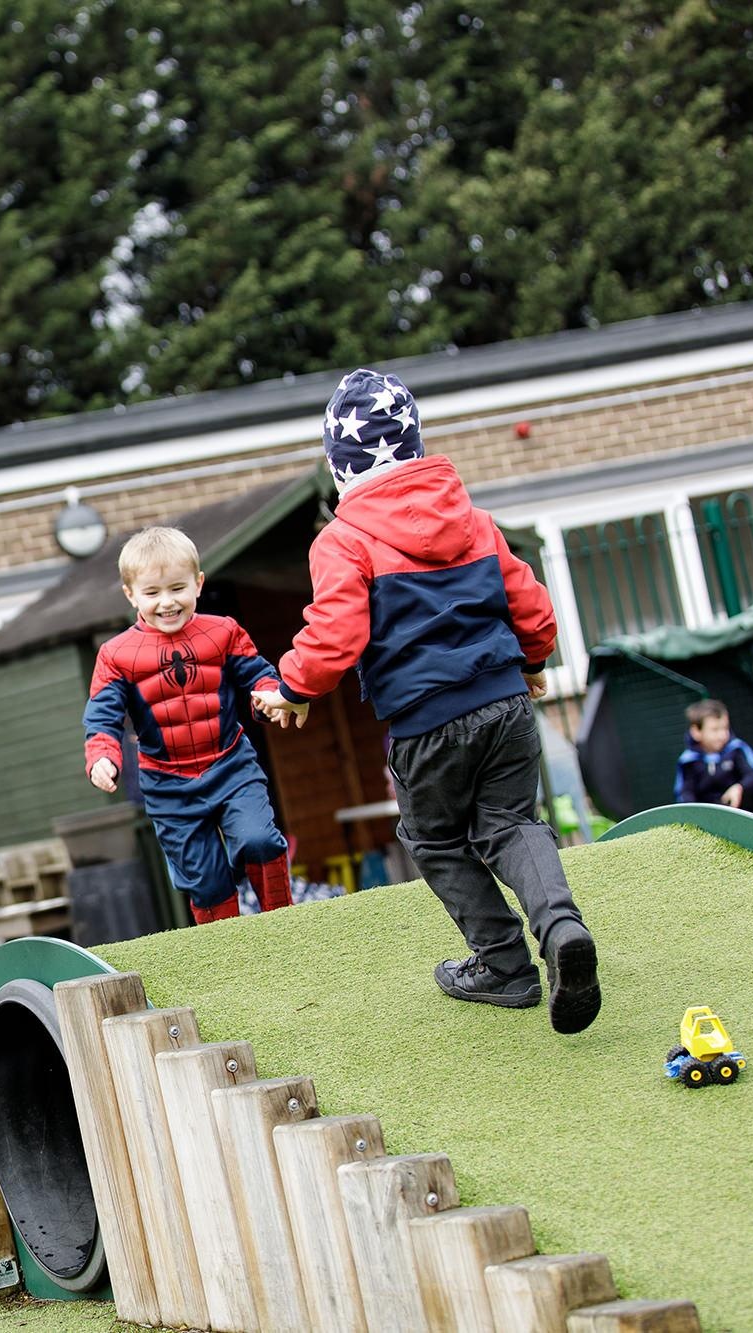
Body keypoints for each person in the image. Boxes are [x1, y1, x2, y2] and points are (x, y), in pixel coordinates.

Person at [253, 368, 601, 1035]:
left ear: (339, 467)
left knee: (435, 839)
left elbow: (337, 631)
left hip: (426, 721)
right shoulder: (473, 521)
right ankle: (561, 928)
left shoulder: (343, 540)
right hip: (505, 704)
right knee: (512, 825)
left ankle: (505, 965)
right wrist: (532, 662)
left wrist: (294, 687)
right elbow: (531, 605)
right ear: (414, 445)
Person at [83, 526, 293, 925]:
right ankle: (225, 945)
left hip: (230, 765)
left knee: (259, 840)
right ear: (131, 595)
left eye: (177, 588)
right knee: (206, 881)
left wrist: (270, 696)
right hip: (167, 784)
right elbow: (102, 714)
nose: (167, 602)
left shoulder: (224, 631)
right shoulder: (115, 654)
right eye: (152, 593)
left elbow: (258, 675)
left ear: (198, 583)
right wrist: (102, 755)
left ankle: (283, 921)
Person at [675, 699, 753, 812]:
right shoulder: (689, 761)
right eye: (715, 730)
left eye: (725, 728)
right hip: (711, 813)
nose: (722, 735)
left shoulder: (735, 749)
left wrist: (739, 787)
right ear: (696, 732)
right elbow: (686, 793)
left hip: (742, 808)